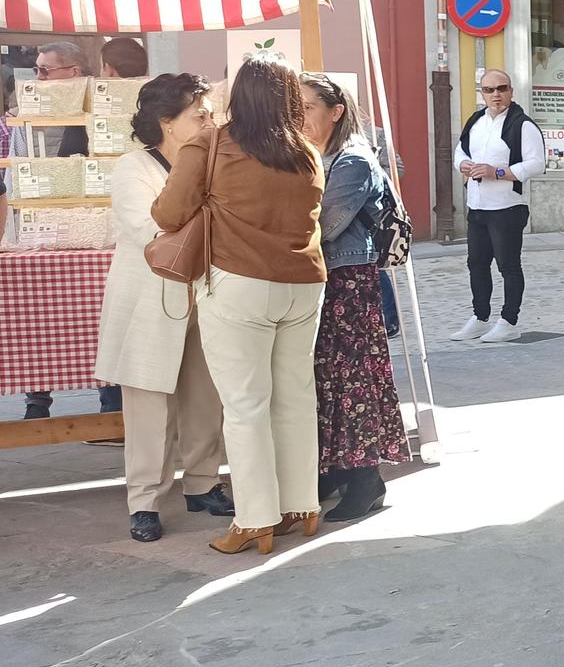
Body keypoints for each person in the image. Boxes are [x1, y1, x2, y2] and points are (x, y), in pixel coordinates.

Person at [154, 57, 327, 556]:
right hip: (303, 283)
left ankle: (254, 520)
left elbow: (167, 214)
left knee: (246, 406)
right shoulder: (307, 152)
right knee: (295, 398)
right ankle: (302, 506)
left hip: (238, 282)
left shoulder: (211, 144)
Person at [93, 73, 232, 542]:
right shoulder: (134, 167)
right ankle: (144, 502)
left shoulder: (216, 161)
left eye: (211, 113)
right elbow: (147, 229)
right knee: (149, 405)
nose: (211, 121)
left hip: (206, 294)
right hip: (150, 300)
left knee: (205, 395)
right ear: (167, 122)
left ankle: (203, 483)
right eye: (200, 114)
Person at [300, 74, 408, 522]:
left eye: (306, 107)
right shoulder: (314, 156)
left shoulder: (353, 161)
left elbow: (322, 225)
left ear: (335, 111)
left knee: (354, 383)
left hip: (349, 282)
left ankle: (366, 479)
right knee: (325, 380)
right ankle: (336, 468)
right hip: (323, 281)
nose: (298, 116)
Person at [24, 40, 120, 420]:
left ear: (74, 74)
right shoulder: (30, 118)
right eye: (36, 70)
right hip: (44, 233)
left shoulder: (100, 114)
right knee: (35, 317)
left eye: (45, 71)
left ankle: (111, 407)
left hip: (95, 233)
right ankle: (36, 401)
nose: (37, 78)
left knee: (104, 318)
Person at [452, 69, 546, 343]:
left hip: (507, 207)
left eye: (501, 89)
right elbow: (461, 150)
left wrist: (499, 172)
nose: (496, 95)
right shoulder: (476, 121)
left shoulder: (522, 125)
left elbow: (537, 163)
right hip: (478, 205)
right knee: (476, 264)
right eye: (489, 90)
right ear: (482, 93)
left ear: (511, 92)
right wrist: (463, 164)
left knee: (508, 265)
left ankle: (509, 320)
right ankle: (480, 317)